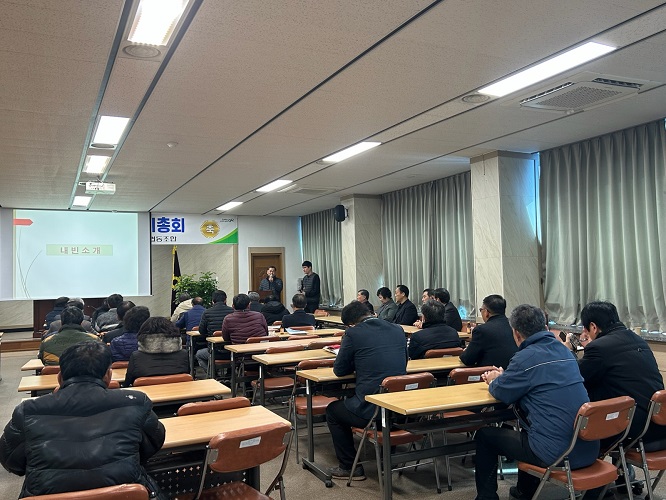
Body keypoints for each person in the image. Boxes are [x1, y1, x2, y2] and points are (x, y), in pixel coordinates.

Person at [0, 341, 166, 498]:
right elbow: (154, 443)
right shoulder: (136, 402)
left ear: (60, 377)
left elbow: (11, 461)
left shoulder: (27, 411)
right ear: (108, 375)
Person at [474, 304, 598, 500]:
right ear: (545, 327)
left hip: (556, 453)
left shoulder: (525, 358)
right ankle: (524, 491)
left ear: (516, 333)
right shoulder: (566, 353)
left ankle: (487, 497)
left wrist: (495, 379)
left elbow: (501, 392)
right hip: (587, 448)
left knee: (485, 436)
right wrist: (509, 377)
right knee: (533, 428)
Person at [326, 301, 408, 480]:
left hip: (371, 409)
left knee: (333, 411)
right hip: (399, 407)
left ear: (351, 324)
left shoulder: (353, 333)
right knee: (383, 399)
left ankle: (349, 466)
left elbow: (339, 370)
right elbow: (404, 362)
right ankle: (388, 459)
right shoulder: (397, 329)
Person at [575, 301, 666, 450]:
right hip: (659, 425)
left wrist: (570, 353)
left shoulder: (598, 347)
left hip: (632, 430)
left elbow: (577, 378)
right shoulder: (638, 340)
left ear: (593, 327)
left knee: (581, 400)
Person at [125, 317, 190, 387]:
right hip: (177, 391)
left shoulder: (136, 357)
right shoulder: (184, 354)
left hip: (146, 393)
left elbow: (128, 382)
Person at [460, 294, 517, 369]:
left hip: (491, 373)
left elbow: (467, 360)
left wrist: (466, 351)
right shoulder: (515, 326)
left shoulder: (481, 330)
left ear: (486, 312)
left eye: (481, 310)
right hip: (515, 370)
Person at [195, 290, 234, 372]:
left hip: (214, 352)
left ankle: (212, 374)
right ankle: (230, 374)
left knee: (199, 354)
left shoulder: (207, 312)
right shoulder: (232, 311)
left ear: (212, 301)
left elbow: (201, 331)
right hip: (232, 351)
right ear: (225, 300)